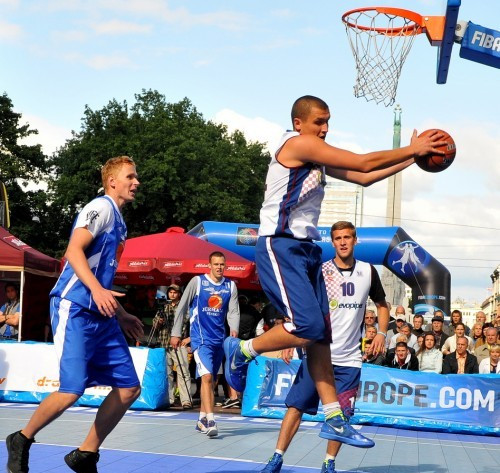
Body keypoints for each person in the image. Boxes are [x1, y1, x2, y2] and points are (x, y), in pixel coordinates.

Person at [223, 95, 445, 447]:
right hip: (281, 246)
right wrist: (410, 147)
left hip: (307, 250)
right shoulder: (297, 144)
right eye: (319, 122)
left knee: (320, 338)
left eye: (328, 122)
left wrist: (412, 159)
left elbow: (365, 176)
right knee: (307, 327)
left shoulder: (314, 158)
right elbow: (362, 159)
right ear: (299, 123)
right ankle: (243, 349)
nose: (325, 129)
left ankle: (333, 418)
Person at [6, 156, 143, 473]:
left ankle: (85, 454)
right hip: (75, 307)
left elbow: (102, 279)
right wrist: (96, 291)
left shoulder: (119, 222)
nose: (136, 182)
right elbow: (73, 251)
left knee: (128, 388)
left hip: (101, 313)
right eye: (130, 176)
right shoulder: (101, 207)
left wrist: (120, 313)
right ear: (112, 181)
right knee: (72, 389)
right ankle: (22, 439)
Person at [260, 221, 389, 473]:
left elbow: (382, 305)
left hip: (350, 360)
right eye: (338, 238)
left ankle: (328, 463)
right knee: (295, 407)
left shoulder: (368, 271)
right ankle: (276, 458)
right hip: (319, 355)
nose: (342, 242)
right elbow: (299, 305)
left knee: (341, 417)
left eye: (347, 237)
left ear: (355, 240)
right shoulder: (320, 270)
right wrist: (291, 337)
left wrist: (382, 333)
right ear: (332, 242)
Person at [170, 251, 239, 438]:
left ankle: (201, 420)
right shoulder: (198, 282)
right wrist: (176, 333)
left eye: (222, 264)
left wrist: (234, 330)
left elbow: (233, 311)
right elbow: (182, 306)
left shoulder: (230, 286)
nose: (219, 267)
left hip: (219, 340)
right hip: (200, 339)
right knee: (207, 378)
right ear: (209, 265)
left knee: (212, 380)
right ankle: (210, 420)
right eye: (215, 264)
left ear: (225, 266)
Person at [152, 284, 192, 409]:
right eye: (170, 292)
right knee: (167, 373)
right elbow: (154, 326)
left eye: (175, 292)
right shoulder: (163, 308)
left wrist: (189, 339)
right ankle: (169, 399)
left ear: (179, 294)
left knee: (183, 372)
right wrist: (159, 321)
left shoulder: (185, 308)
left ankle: (186, 400)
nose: (172, 294)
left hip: (180, 344)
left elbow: (194, 325)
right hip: (164, 343)